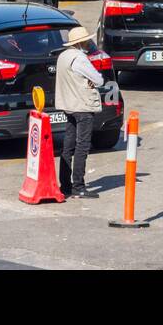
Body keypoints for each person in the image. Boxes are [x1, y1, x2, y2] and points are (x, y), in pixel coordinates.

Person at [56, 26, 103, 199]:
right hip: (82, 106)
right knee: (82, 146)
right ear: (81, 42)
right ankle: (79, 186)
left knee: (67, 147)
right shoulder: (80, 58)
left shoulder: (63, 56)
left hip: (68, 105)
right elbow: (98, 79)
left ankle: (65, 185)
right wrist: (90, 81)